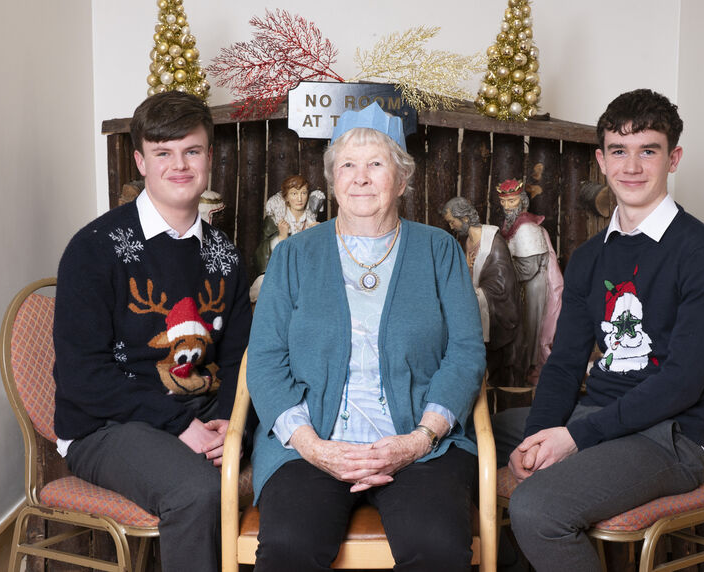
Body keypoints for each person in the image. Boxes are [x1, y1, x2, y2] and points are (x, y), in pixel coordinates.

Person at [492, 89, 704, 571]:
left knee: (537, 507)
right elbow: (563, 363)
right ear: (601, 161)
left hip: (668, 437)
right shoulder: (589, 257)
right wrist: (543, 435)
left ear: (674, 159)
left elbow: (682, 383)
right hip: (597, 414)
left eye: (649, 150)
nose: (632, 166)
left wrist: (575, 438)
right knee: (467, 440)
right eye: (619, 152)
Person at [246, 102, 486, 571]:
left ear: (401, 179)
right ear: (332, 180)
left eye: (376, 164)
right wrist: (313, 446)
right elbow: (266, 360)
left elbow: (465, 353)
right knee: (289, 547)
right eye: (348, 166)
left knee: (438, 547)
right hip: (312, 446)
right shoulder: (293, 255)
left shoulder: (438, 250)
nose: (360, 177)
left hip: (419, 448)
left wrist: (418, 440)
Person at [53, 91, 252, 571]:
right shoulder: (95, 249)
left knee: (297, 468)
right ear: (141, 161)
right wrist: (179, 425)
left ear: (209, 158)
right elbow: (82, 376)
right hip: (109, 424)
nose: (179, 165)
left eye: (192, 151)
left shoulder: (225, 256)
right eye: (163, 153)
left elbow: (239, 357)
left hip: (203, 411)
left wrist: (232, 425)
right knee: (198, 492)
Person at [442, 196, 525, 395]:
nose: (452, 226)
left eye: (453, 221)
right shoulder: (469, 240)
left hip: (497, 313)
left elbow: (502, 287)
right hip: (476, 306)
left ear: (465, 218)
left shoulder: (493, 245)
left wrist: (475, 293)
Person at [496, 178, 563, 383]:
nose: (508, 206)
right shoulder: (510, 224)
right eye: (504, 202)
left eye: (512, 201)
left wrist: (502, 271)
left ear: (522, 202)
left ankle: (530, 366)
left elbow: (529, 267)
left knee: (531, 326)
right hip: (520, 283)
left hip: (532, 284)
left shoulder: (526, 228)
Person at [250, 174, 325, 302]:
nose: (299, 199)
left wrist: (318, 236)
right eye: (294, 194)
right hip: (282, 270)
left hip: (306, 270)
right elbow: (261, 253)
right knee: (263, 285)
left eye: (303, 193)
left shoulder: (312, 220)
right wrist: (281, 237)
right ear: (286, 197)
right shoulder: (275, 220)